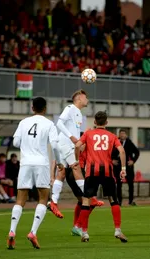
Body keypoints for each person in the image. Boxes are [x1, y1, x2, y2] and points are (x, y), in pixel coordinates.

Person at [7, 97, 62, 250]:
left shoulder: (23, 122)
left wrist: (27, 143)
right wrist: (59, 162)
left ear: (32, 108)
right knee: (43, 197)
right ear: (45, 109)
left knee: (20, 199)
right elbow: (55, 146)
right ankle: (33, 232)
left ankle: (12, 231)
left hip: (25, 163)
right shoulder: (49, 124)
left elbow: (16, 143)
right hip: (41, 163)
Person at [75, 111, 128, 243]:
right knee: (113, 200)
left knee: (86, 201)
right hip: (107, 172)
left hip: (91, 172)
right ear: (106, 123)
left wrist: (76, 160)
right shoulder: (111, 136)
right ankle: (117, 230)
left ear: (94, 122)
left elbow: (77, 145)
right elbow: (121, 150)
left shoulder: (88, 133)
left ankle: (85, 233)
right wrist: (123, 169)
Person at [49, 89, 103, 219]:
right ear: (79, 98)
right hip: (66, 142)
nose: (87, 100)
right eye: (85, 97)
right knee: (76, 167)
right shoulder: (70, 108)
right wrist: (72, 137)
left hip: (65, 143)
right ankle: (90, 197)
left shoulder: (78, 113)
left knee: (61, 173)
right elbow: (59, 123)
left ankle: (53, 202)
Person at [112, 129, 140, 206]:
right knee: (118, 184)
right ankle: (119, 201)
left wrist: (133, 161)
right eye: (121, 134)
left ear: (126, 135)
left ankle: (131, 201)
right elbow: (109, 152)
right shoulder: (115, 142)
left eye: (123, 134)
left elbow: (137, 152)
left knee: (130, 184)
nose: (122, 135)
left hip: (128, 167)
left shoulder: (129, 143)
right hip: (118, 166)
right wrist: (112, 160)